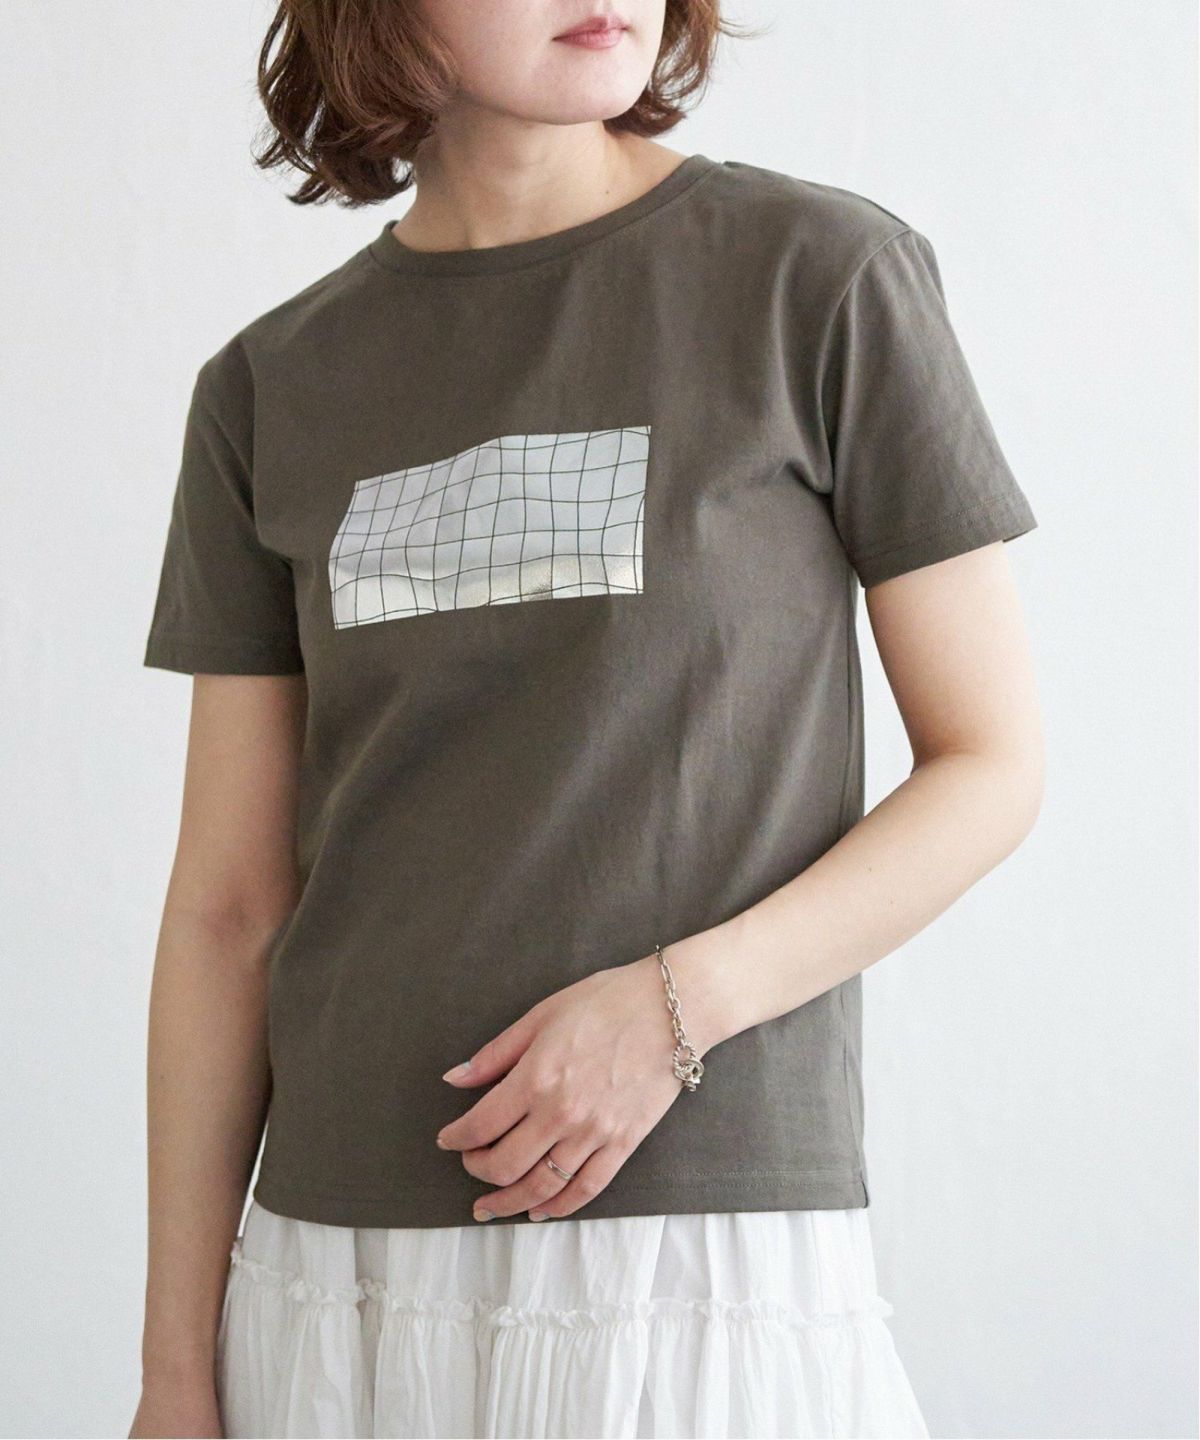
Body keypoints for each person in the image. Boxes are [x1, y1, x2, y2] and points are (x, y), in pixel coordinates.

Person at [129, 1, 1044, 1436]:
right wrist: (175, 1374)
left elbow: (991, 765)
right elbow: (229, 911)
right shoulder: (269, 387)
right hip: (341, 1262)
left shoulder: (816, 277)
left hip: (695, 1236)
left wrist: (677, 1010)